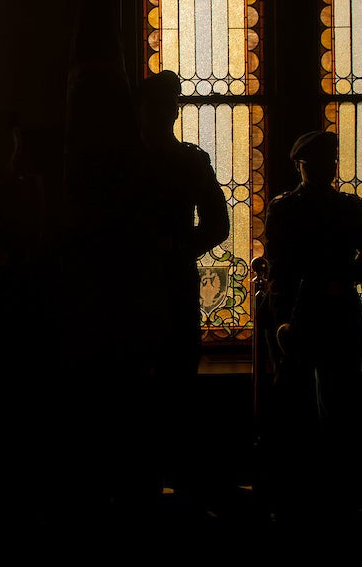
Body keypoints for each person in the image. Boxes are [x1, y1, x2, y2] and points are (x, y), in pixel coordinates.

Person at [260, 129, 362, 523]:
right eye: (316, 163)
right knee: (308, 408)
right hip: (319, 314)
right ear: (301, 166)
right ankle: (318, 497)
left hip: (314, 313)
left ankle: (317, 497)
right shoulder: (348, 209)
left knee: (333, 409)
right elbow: (281, 271)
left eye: (327, 162)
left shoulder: (288, 209)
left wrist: (326, 279)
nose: (324, 169)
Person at [134, 70, 230, 500]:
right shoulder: (130, 164)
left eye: (170, 104)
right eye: (160, 103)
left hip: (165, 284)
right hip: (141, 286)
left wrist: (172, 247)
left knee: (174, 382)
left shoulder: (189, 162)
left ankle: (166, 477)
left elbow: (217, 225)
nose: (166, 111)